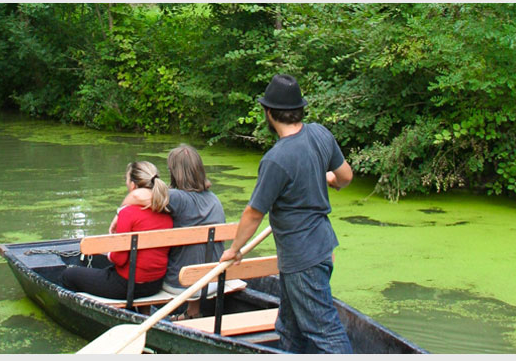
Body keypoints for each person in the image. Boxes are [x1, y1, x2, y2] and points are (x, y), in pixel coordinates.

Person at [218, 74, 354, 354]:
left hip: (302, 259)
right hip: (322, 249)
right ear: (299, 109)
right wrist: (330, 180)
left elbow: (254, 213)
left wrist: (235, 249)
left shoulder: (276, 159)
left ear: (269, 113)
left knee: (324, 331)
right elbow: (346, 177)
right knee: (289, 328)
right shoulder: (320, 133)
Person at [109, 144, 227, 320]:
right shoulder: (214, 199)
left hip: (181, 282)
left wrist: (119, 215)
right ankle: (192, 312)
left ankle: (145, 315)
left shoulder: (177, 198)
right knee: (198, 252)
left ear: (174, 172)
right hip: (213, 281)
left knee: (147, 264)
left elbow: (136, 196)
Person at [61, 161, 173, 300]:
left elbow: (119, 259)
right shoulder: (167, 212)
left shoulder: (128, 213)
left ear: (132, 185)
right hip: (154, 285)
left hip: (127, 285)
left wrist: (108, 252)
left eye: (126, 179)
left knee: (69, 275)